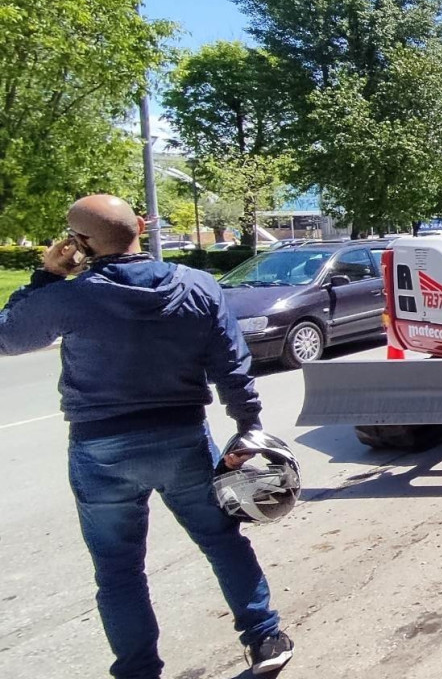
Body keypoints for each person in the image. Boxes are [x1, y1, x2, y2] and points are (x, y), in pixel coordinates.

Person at [0, 195, 295, 678]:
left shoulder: (72, 296)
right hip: (182, 439)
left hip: (101, 450)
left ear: (79, 243)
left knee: (118, 570)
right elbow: (231, 363)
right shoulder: (197, 285)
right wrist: (249, 427)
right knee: (222, 540)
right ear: (141, 226)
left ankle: (138, 671)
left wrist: (47, 275)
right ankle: (265, 637)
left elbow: (8, 336)